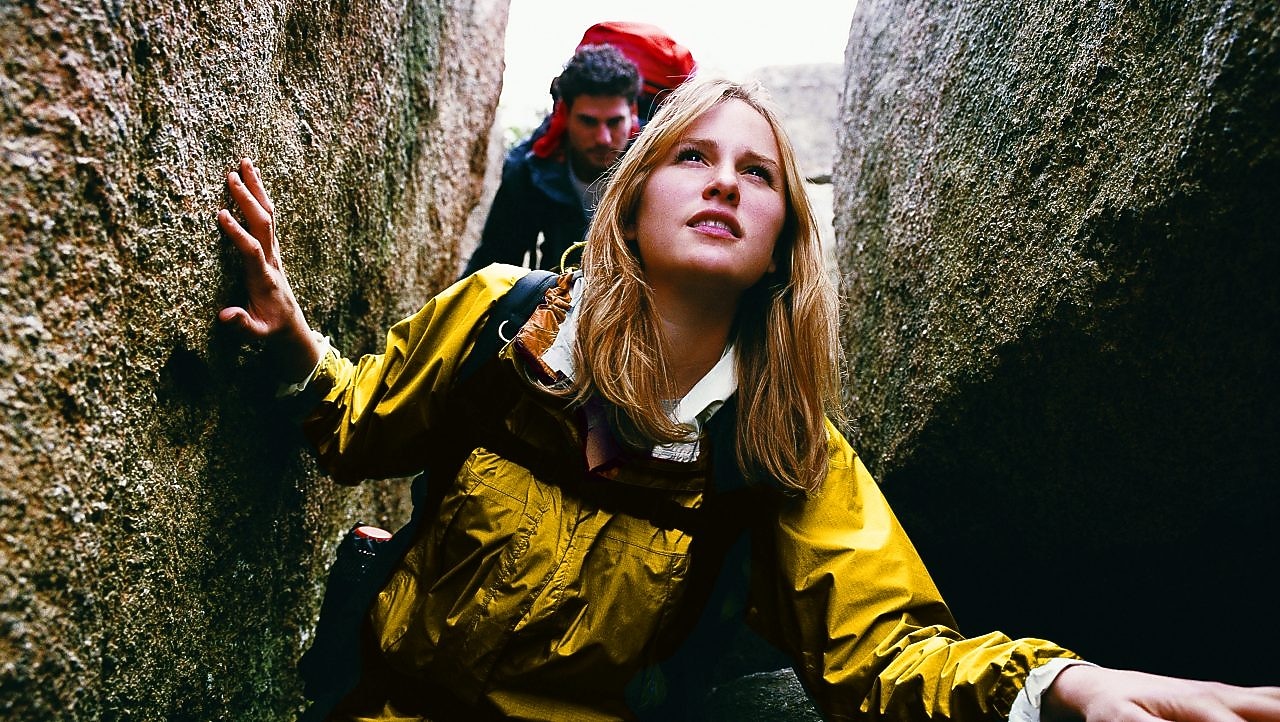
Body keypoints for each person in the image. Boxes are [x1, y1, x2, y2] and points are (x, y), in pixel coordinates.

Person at [217, 77, 1280, 721]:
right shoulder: (506, 315)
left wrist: (1056, 687)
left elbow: (883, 653)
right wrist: (295, 338)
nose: (724, 182)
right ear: (632, 203)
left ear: (782, 245)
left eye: (757, 173)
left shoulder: (782, 449)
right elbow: (360, 427)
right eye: (692, 157)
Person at [460, 44, 642, 276]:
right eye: (588, 122)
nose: (603, 139)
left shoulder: (654, 161)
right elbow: (495, 262)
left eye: (614, 122)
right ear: (564, 114)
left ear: (633, 111)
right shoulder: (529, 171)